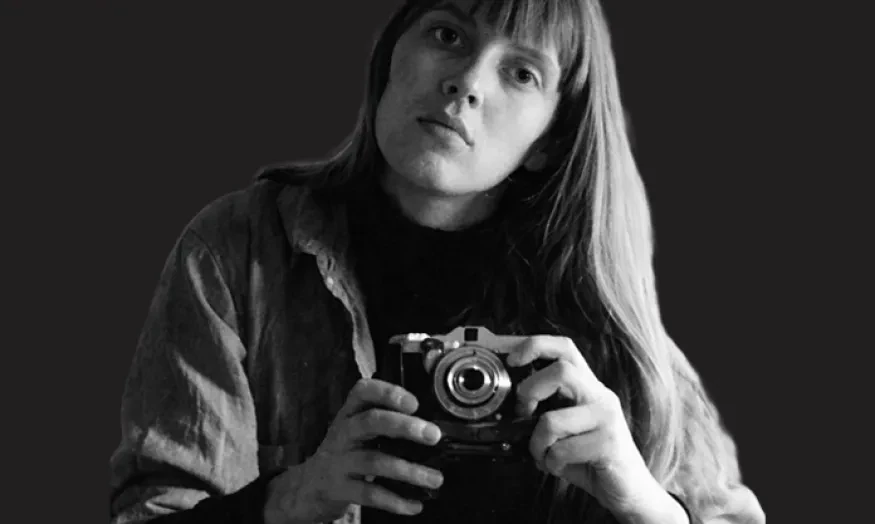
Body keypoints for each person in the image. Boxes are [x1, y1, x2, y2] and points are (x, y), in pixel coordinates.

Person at [108, 0, 766, 523]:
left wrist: (648, 508)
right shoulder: (241, 248)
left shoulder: (606, 316)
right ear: (390, 55)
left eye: (520, 72)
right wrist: (297, 498)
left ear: (547, 141)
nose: (466, 83)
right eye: (447, 34)